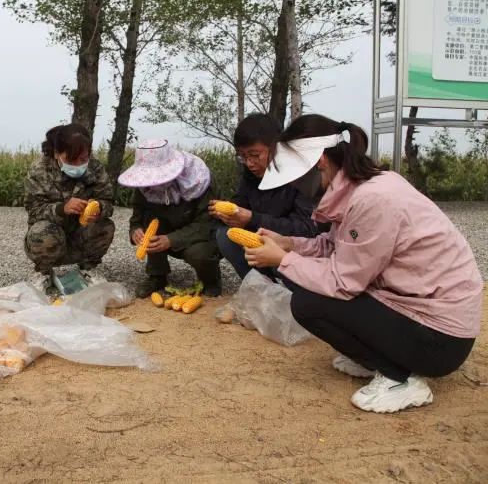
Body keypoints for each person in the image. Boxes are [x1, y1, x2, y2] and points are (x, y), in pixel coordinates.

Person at [244, 114, 482, 413]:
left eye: (297, 177)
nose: (297, 186)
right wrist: (289, 244)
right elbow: (335, 247)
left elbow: (343, 282)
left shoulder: (372, 200)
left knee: (309, 303)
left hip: (440, 340)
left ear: (320, 162)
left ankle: (400, 378)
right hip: (425, 314)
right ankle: (379, 359)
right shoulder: (360, 188)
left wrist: (283, 260)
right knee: (309, 287)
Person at [209, 113, 319, 280]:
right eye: (243, 157)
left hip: (294, 248)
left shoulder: (301, 175)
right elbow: (241, 201)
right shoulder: (251, 173)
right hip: (261, 237)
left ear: (276, 148)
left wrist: (252, 219)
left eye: (254, 155)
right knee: (225, 235)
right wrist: (228, 212)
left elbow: (306, 229)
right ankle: (260, 285)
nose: (249, 163)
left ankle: (294, 287)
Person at [119, 139, 221, 298]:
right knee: (150, 222)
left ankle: (210, 280)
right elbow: (137, 216)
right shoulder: (143, 186)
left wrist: (171, 240)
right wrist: (135, 230)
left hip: (198, 236)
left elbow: (206, 225)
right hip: (166, 228)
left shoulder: (200, 180)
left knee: (199, 253)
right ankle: (157, 275)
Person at [23, 123, 115, 293]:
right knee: (40, 231)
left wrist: (99, 208)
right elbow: (34, 211)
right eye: (71, 160)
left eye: (83, 159)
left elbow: (109, 202)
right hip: (53, 235)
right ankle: (44, 272)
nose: (78, 165)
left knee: (105, 225)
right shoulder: (39, 171)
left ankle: (88, 268)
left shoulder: (95, 168)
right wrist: (61, 209)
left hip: (82, 232)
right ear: (56, 153)